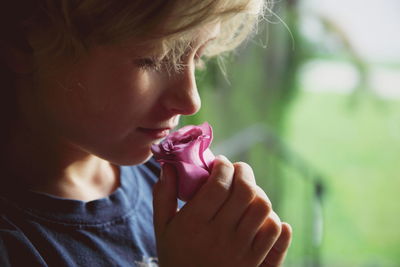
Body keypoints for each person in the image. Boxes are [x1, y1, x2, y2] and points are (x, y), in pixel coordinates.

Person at [0, 0, 292, 266]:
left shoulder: (165, 181)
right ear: (27, 41)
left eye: (198, 56)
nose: (191, 100)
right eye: (152, 58)